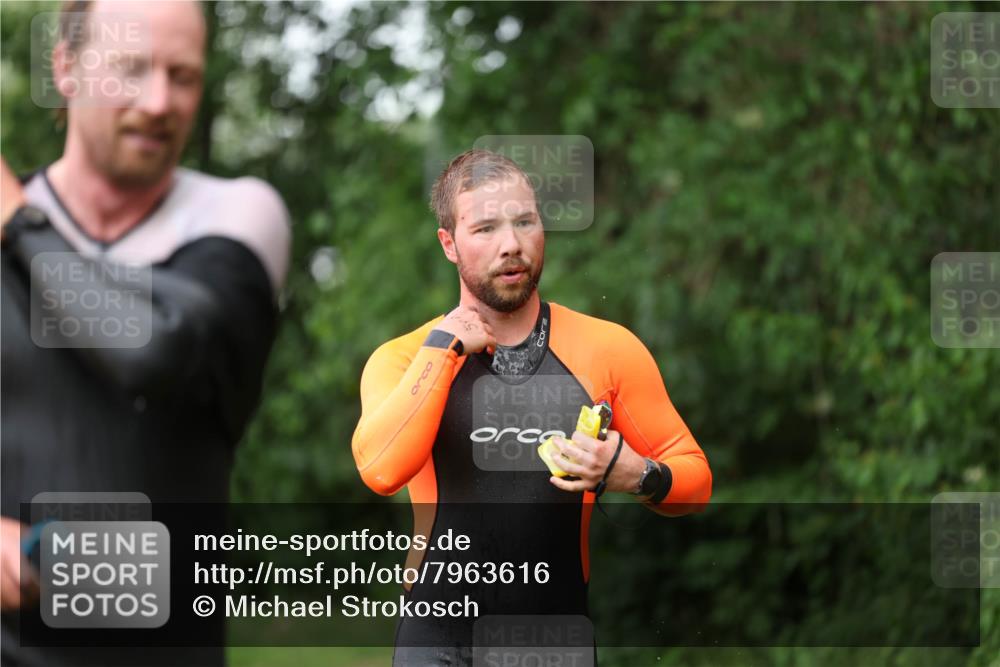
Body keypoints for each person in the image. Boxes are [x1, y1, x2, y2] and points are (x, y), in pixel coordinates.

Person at [0, 1, 290, 664]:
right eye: (131, 70)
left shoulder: (237, 215)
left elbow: (149, 346)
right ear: (65, 67)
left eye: (183, 75)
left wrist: (19, 223)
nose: (160, 101)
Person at [352, 149, 712, 666]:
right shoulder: (407, 357)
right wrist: (444, 350)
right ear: (449, 244)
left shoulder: (607, 350)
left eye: (525, 221)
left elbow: (696, 481)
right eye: (485, 229)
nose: (512, 245)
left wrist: (635, 474)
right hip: (437, 641)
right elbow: (380, 470)